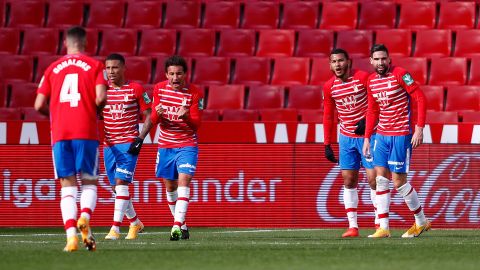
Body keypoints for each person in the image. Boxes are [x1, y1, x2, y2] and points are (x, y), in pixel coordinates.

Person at [34, 26, 107, 251]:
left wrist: (55, 116)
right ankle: (84, 216)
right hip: (85, 130)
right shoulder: (95, 65)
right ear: (85, 43)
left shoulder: (52, 68)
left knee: (67, 187)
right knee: (89, 182)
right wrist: (95, 111)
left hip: (60, 132)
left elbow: (38, 105)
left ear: (65, 43)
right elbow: (101, 97)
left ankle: (71, 238)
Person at [363, 44, 431, 238]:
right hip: (381, 135)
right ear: (371, 61)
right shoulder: (371, 81)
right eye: (376, 59)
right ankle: (383, 228)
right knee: (380, 179)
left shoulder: (401, 74)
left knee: (399, 182)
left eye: (383, 58)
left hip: (401, 134)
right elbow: (372, 110)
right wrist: (367, 137)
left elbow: (420, 98)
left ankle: (421, 221)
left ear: (389, 59)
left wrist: (419, 128)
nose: (380, 62)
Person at [135, 55, 204, 241]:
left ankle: (175, 226)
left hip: (187, 144)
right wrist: (156, 115)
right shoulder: (159, 89)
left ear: (185, 74)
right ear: (166, 74)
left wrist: (187, 117)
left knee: (184, 181)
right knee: (170, 186)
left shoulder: (195, 93)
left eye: (179, 73)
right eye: (171, 74)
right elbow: (154, 120)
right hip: (165, 144)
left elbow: (197, 124)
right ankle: (182, 223)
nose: (175, 78)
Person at [323, 48, 378, 238]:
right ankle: (353, 226)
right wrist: (327, 143)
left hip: (367, 137)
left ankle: (379, 222)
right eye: (333, 62)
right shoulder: (329, 86)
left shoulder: (363, 77)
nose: (337, 65)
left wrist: (368, 122)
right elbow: (328, 116)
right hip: (345, 138)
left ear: (349, 62)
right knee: (348, 180)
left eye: (340, 61)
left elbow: (376, 101)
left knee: (374, 180)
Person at [102, 53, 151, 240]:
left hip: (128, 144)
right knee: (116, 187)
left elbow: (149, 115)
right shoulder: (102, 91)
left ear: (123, 68)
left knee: (122, 183)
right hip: (109, 146)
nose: (111, 72)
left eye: (115, 67)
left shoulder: (135, 89)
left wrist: (140, 138)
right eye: (108, 68)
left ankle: (115, 229)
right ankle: (135, 222)